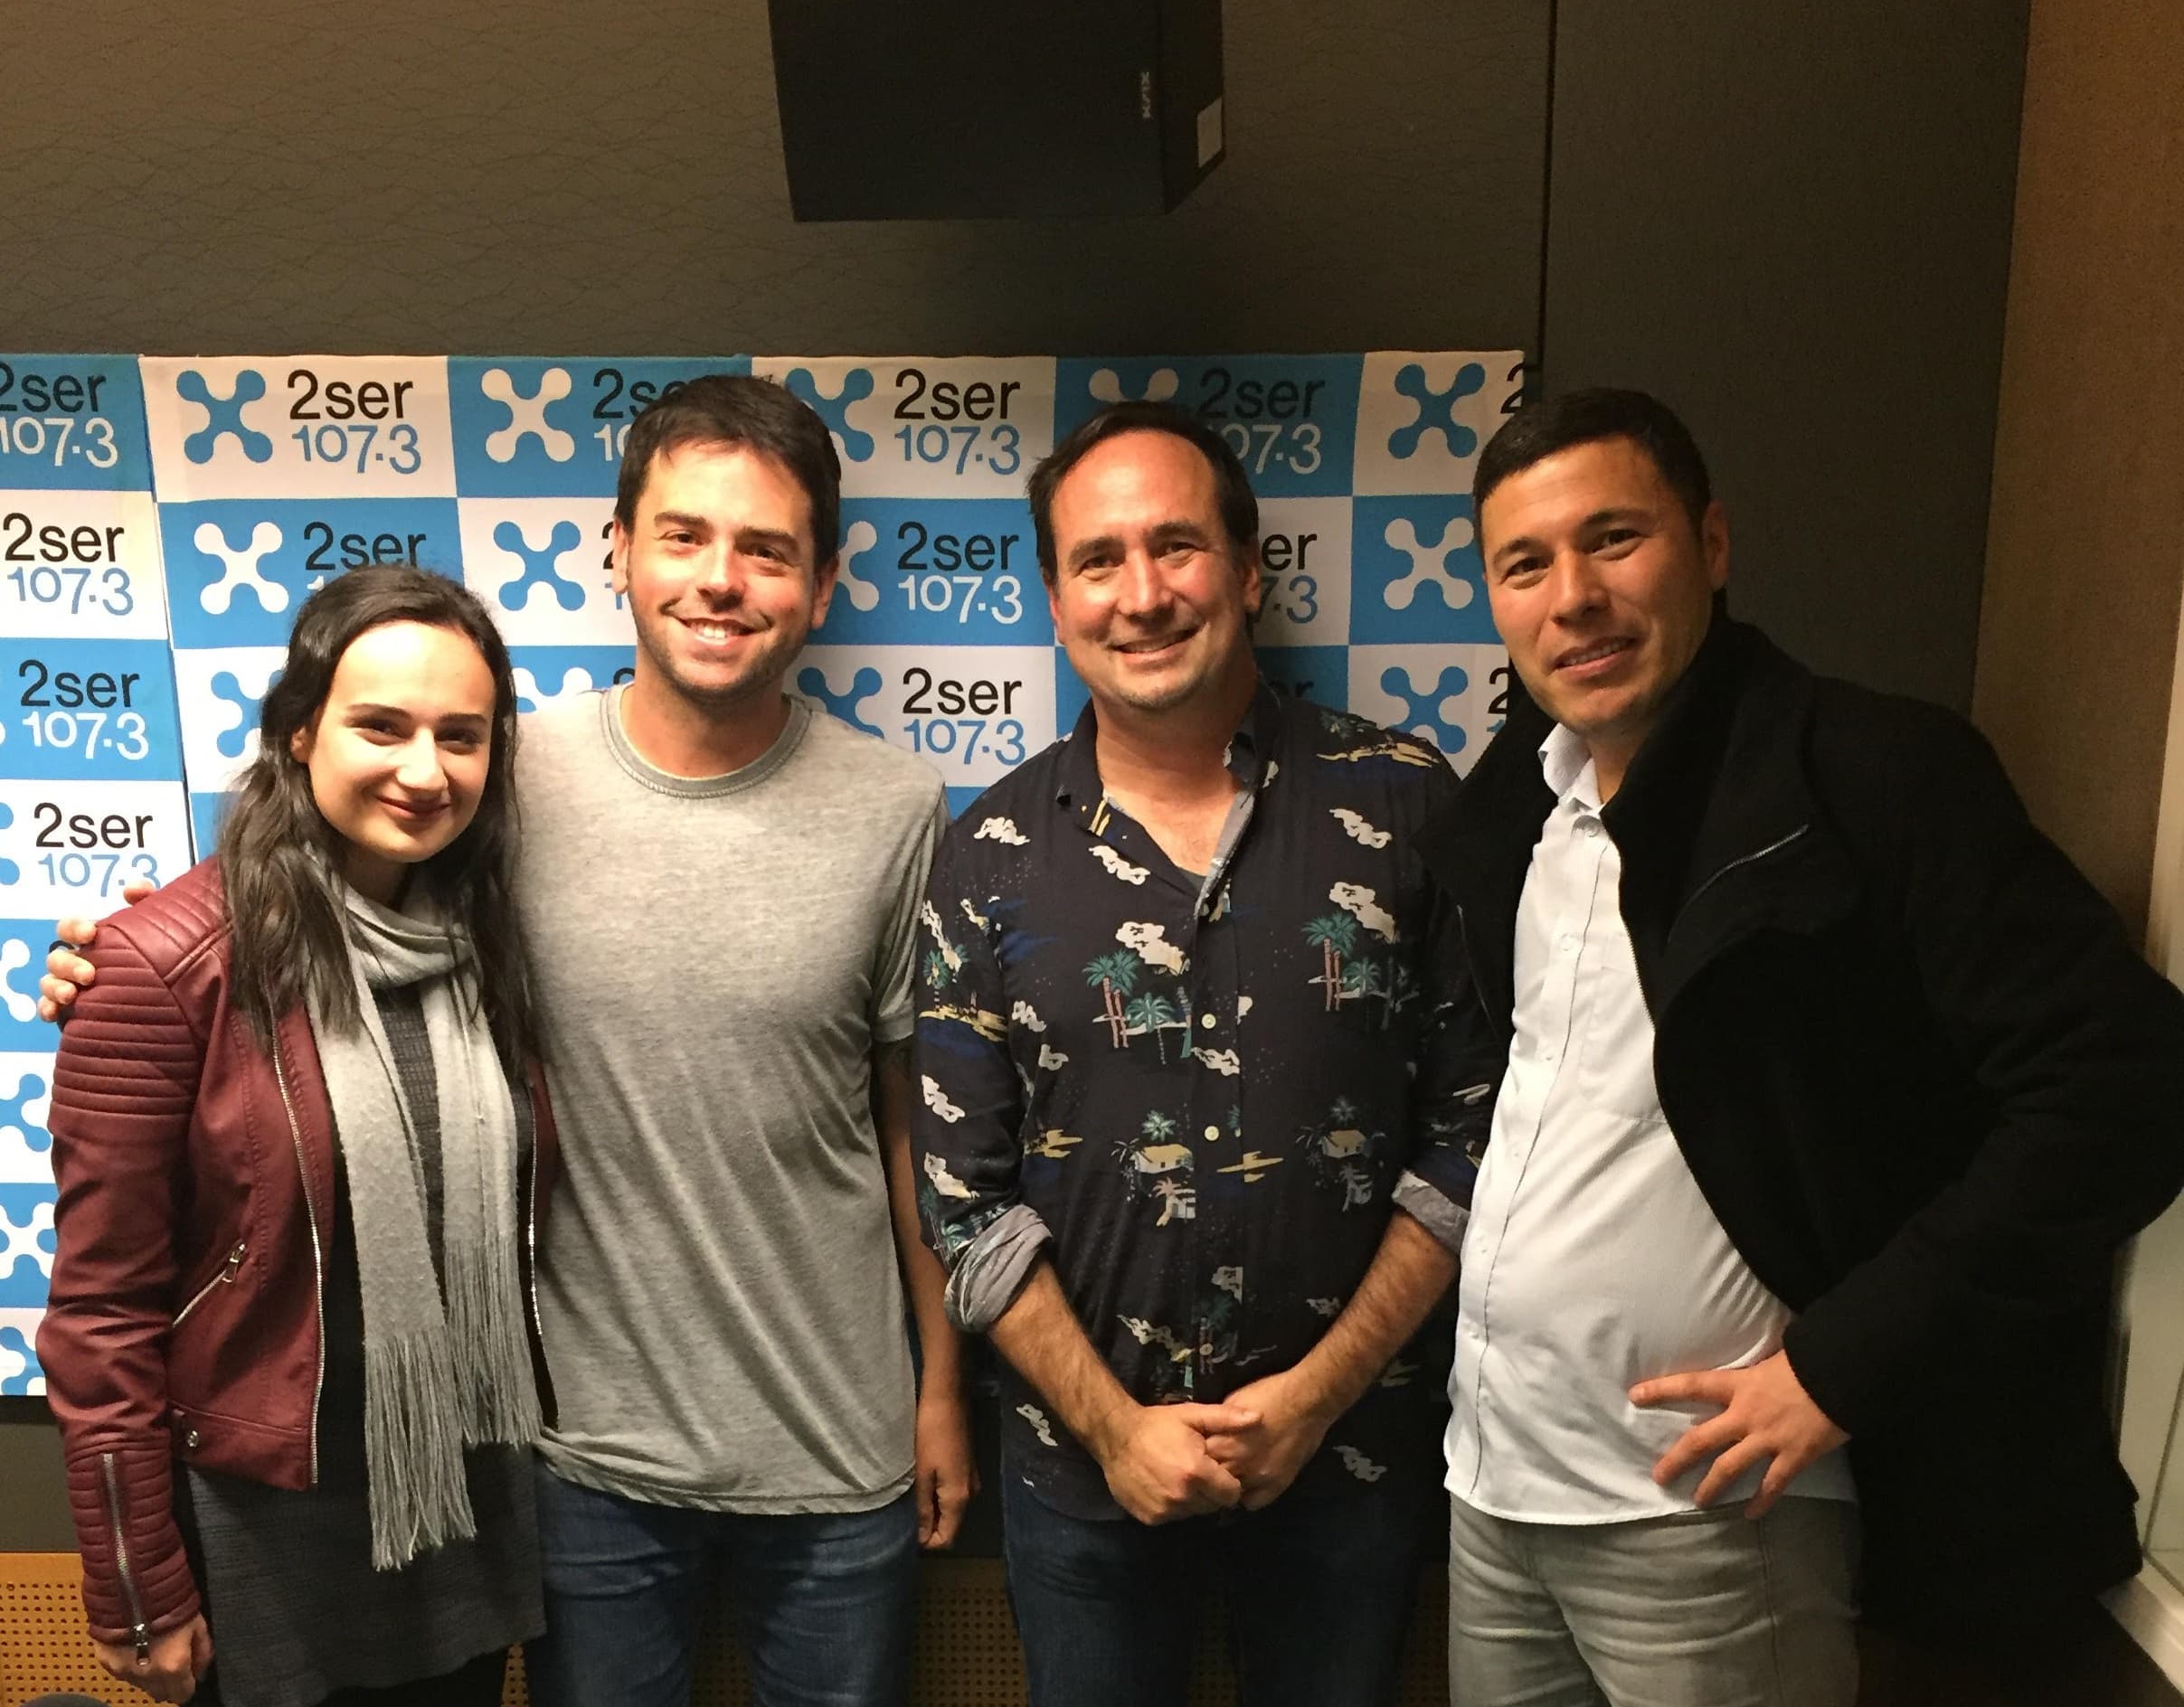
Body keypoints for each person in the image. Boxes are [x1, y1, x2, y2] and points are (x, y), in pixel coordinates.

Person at [46, 374, 973, 1707]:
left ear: (822, 584)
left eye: (766, 548)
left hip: (836, 1445)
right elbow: (299, 903)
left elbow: (909, 1121)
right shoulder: (502, 778)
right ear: (619, 551)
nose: (719, 579)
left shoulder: (897, 806)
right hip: (577, 1461)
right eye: (683, 535)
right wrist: (127, 955)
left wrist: (941, 1387)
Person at [1419, 387, 2184, 1706]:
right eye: (1523, 564)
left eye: (1613, 539)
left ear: (1711, 543)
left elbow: (2127, 1089)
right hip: (1495, 1489)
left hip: (1713, 1515)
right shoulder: (1511, 810)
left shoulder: (1872, 776)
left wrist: (1843, 1366)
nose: (1573, 598)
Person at [910, 401, 1495, 1707]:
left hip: (1348, 1464)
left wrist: (1316, 1396)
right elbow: (961, 1198)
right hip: (1084, 1484)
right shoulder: (988, 855)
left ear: (1247, 569)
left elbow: (1472, 1136)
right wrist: (1115, 1429)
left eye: (1175, 545)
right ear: (1054, 602)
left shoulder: (1403, 803)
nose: (1141, 593)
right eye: (1098, 560)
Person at [39, 565, 557, 1707]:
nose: (425, 770)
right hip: (265, 1528)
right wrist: (135, 1584)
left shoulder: (486, 942)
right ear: (299, 732)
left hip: (462, 1504)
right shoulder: (164, 964)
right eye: (383, 726)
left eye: (461, 736)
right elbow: (100, 1312)